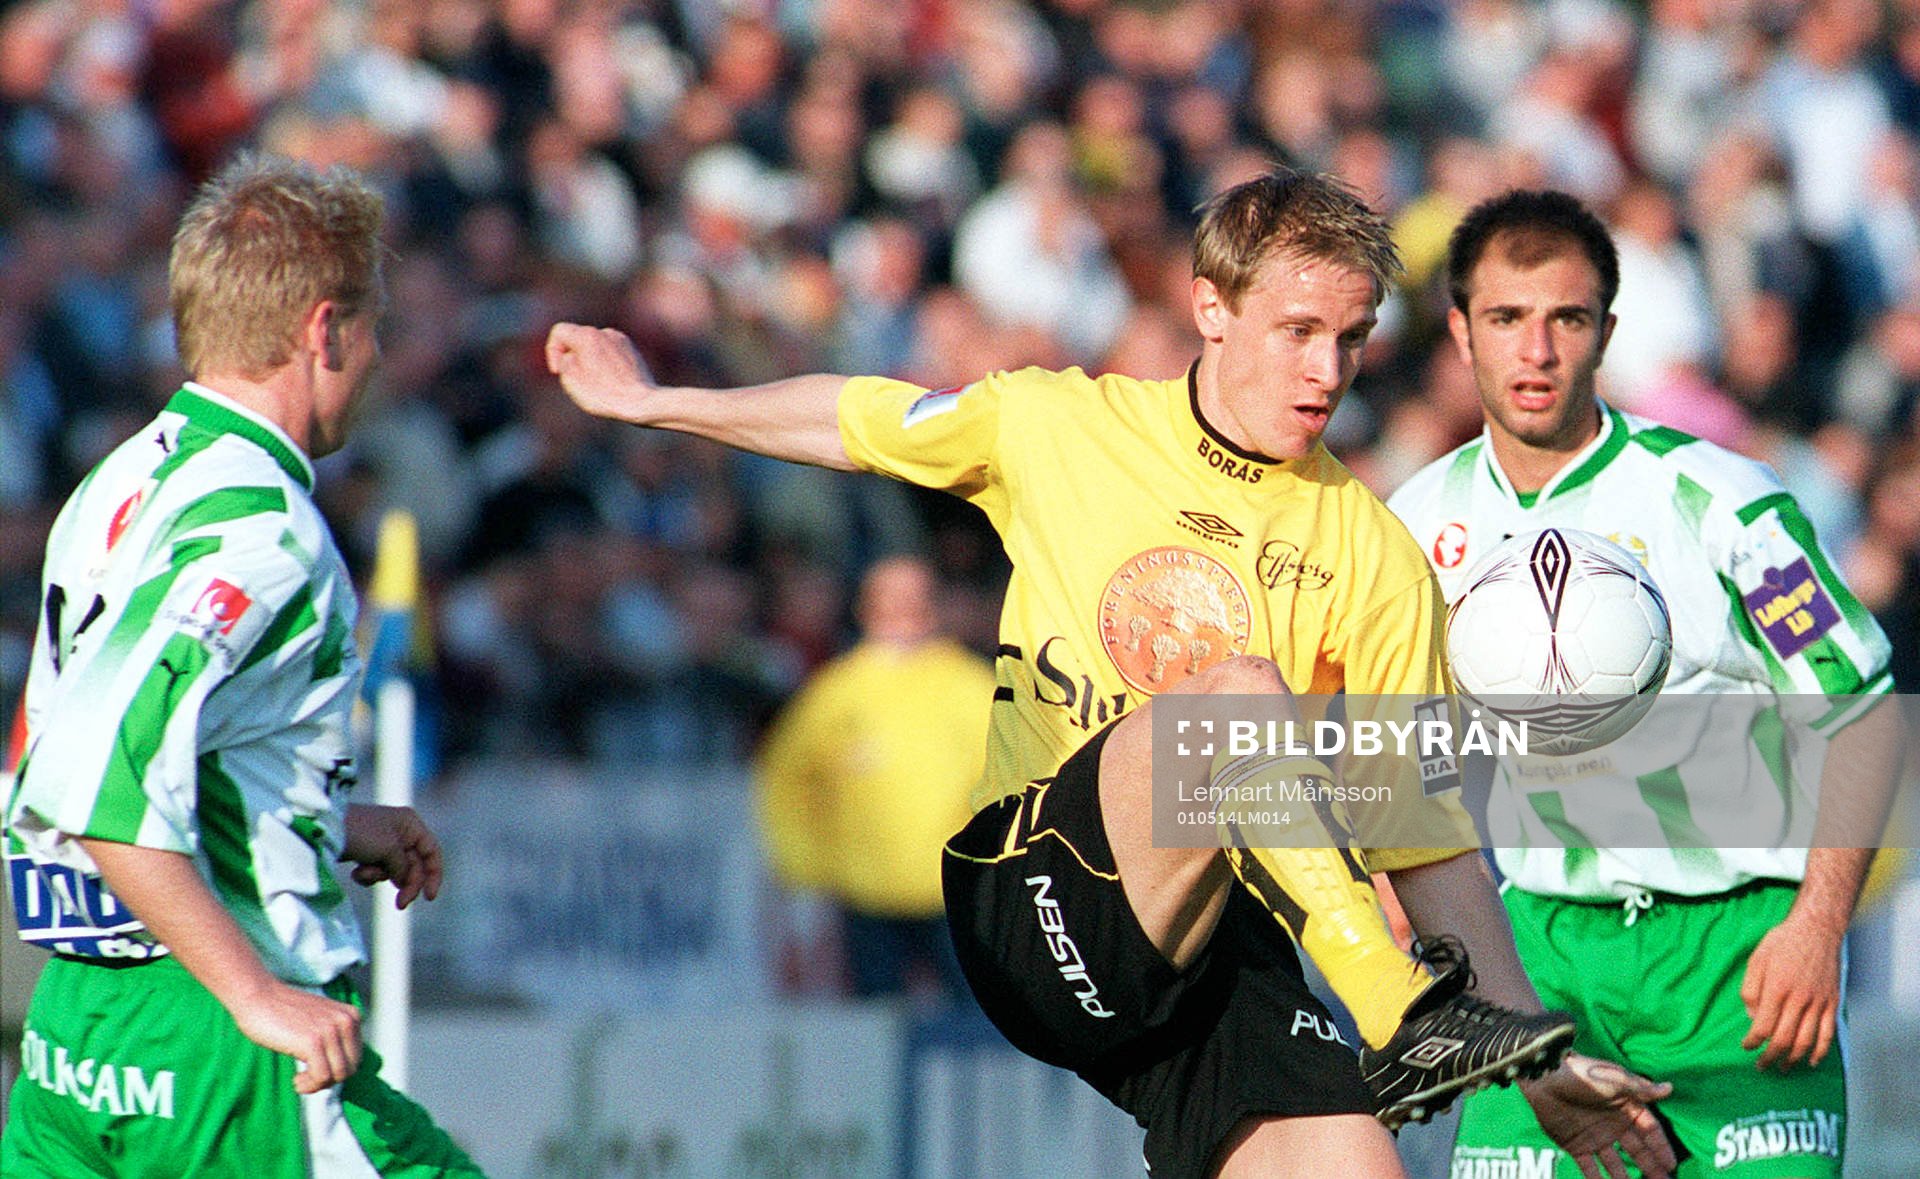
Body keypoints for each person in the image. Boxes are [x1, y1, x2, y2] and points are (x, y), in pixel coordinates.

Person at [547, 167, 1677, 1179]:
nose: (1326, 370)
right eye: (1297, 331)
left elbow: (1423, 840)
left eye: (1351, 338)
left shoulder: (1374, 555)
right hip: (1035, 887)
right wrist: (656, 401)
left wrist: (1534, 1063)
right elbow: (858, 417)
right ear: (1211, 307)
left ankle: (1397, 1018)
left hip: (1212, 951)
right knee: (1235, 696)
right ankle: (1390, 1007)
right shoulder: (1062, 424)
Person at [1388, 189, 1901, 1178]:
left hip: (1735, 961)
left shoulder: (1721, 501)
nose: (1537, 351)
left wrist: (1817, 924)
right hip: (1539, 964)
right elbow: (1395, 742)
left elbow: (1864, 710)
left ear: (1608, 332)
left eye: (1567, 319)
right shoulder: (1412, 523)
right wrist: (1401, 904)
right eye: (1506, 317)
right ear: (1460, 332)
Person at [1, 154, 482, 1176]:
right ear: (324, 330)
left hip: (77, 1025)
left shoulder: (123, 478)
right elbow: (99, 776)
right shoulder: (263, 533)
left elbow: (104, 743)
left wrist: (316, 818)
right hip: (217, 1034)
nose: (379, 359)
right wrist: (255, 994)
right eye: (377, 327)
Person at [755, 554, 994, 1003]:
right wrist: (805, 862)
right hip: (863, 892)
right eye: (890, 599)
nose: (902, 610)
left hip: (956, 891)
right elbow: (787, 777)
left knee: (976, 1013)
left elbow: (1009, 781)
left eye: (915, 598)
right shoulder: (835, 691)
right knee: (875, 1018)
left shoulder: (972, 688)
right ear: (865, 607)